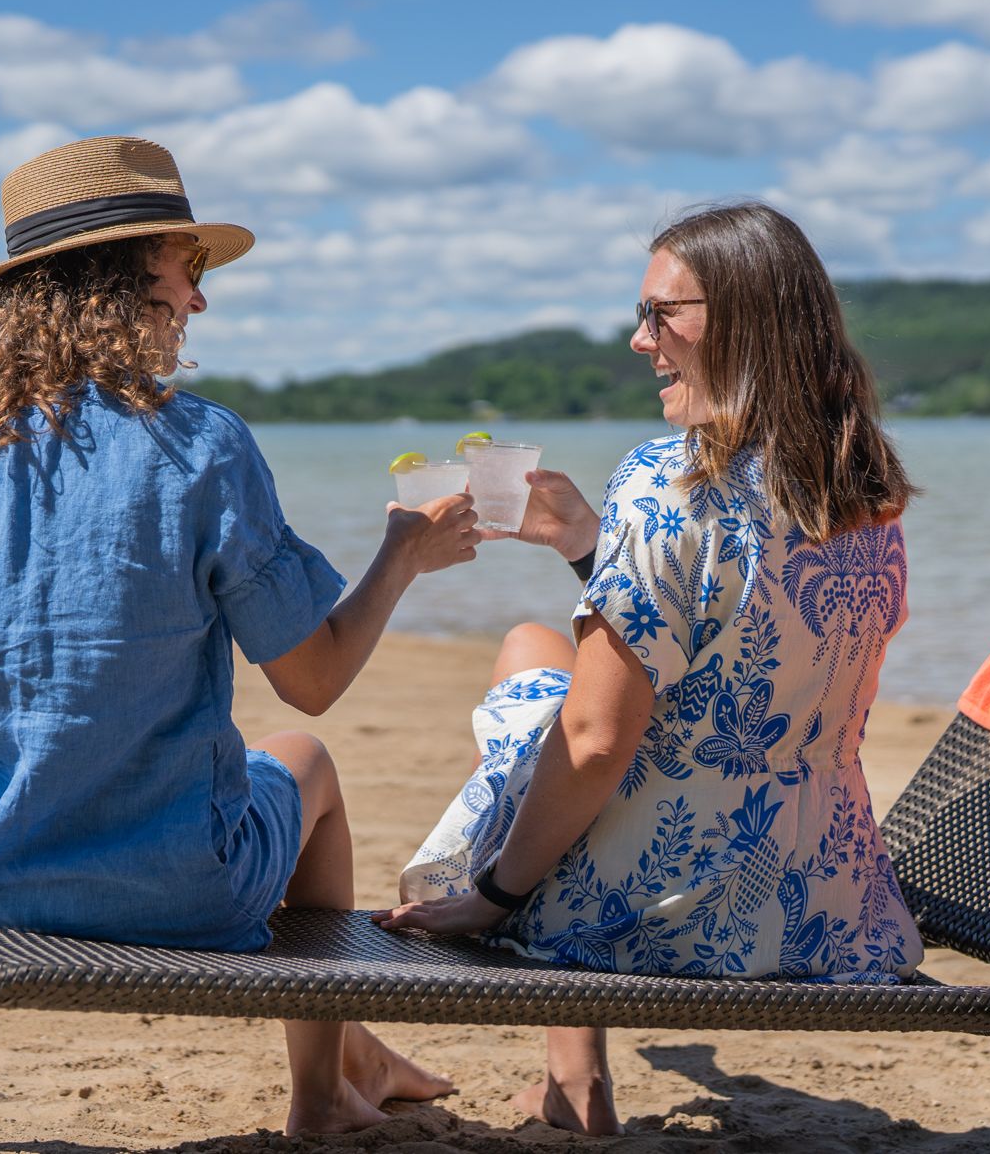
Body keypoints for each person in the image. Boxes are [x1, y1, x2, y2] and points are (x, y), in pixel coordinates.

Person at [0, 135, 476, 1135]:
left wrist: (45, 727)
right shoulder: (199, 446)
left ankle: (356, 1060)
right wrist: (401, 558)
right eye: (189, 271)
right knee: (304, 759)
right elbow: (311, 680)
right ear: (121, 287)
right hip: (179, 888)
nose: (199, 302)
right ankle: (322, 1095)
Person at [378, 202, 924, 1135]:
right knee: (531, 650)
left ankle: (576, 1076)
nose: (641, 341)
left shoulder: (670, 481)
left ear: (748, 320)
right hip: (829, 907)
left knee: (537, 694)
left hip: (669, 911)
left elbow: (596, 742)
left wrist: (495, 897)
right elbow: (741, 652)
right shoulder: (864, 492)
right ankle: (573, 1076)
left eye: (664, 314)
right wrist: (596, 546)